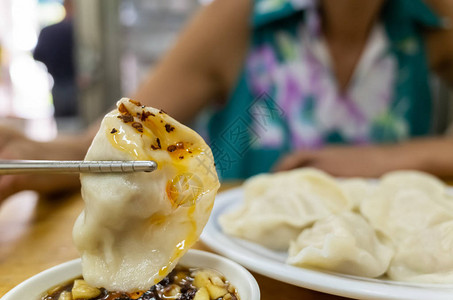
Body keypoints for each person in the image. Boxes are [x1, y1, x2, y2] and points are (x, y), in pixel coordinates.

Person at [1, 0, 453, 202]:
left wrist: (392, 159)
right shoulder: (238, 16)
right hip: (249, 273)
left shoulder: (431, 20)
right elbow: (124, 139)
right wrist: (34, 158)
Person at [33, 0, 78, 119]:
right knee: (82, 125)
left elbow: (37, 55)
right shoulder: (77, 30)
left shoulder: (48, 31)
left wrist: (53, 67)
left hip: (58, 84)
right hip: (78, 85)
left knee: (63, 126)